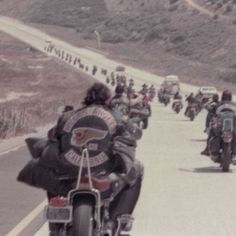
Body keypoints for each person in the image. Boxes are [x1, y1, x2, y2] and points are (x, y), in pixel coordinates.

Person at [17, 82, 144, 234]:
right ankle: (116, 220)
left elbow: (53, 137)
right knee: (138, 169)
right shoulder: (116, 117)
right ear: (108, 99)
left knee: (48, 165)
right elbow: (133, 135)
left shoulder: (68, 116)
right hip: (102, 175)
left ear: (87, 98)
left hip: (69, 176)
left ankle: (55, 223)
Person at [201, 90, 236, 162]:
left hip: (220, 127)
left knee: (211, 132)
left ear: (222, 96)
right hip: (232, 127)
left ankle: (207, 149)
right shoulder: (234, 104)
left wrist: (207, 107)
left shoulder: (218, 104)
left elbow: (210, 110)